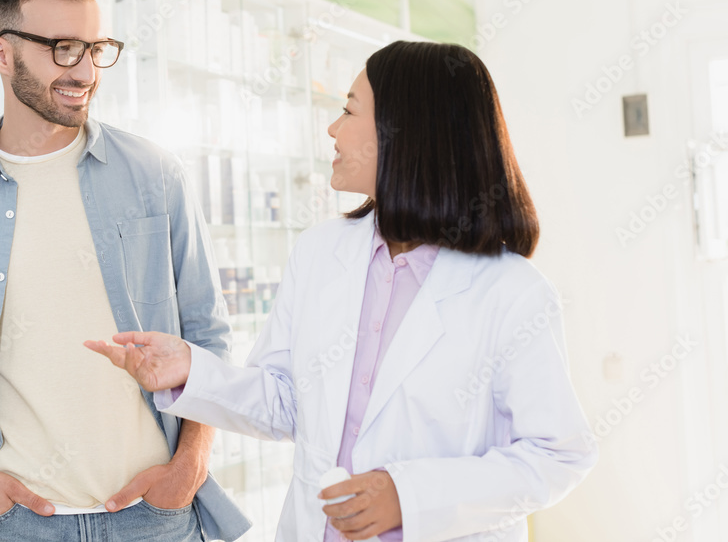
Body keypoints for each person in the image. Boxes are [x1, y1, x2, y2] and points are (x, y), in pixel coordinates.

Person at [87, 40, 599, 542]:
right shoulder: (321, 252)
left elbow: (558, 455)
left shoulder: (510, 292)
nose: (333, 129)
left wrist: (410, 495)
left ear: (407, 132)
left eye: (349, 112)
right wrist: (190, 370)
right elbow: (287, 403)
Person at [0, 0, 250, 542]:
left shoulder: (154, 174)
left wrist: (190, 466)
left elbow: (206, 333)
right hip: (8, 522)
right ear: (1, 54)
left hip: (152, 516)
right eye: (63, 49)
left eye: (95, 48)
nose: (84, 71)